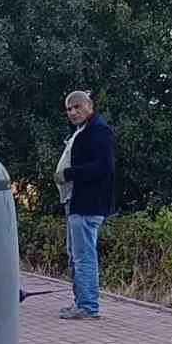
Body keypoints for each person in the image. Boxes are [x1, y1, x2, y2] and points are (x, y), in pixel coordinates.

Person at [55, 90, 116, 319]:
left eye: (77, 107)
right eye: (69, 109)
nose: (72, 112)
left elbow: (104, 167)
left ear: (89, 106)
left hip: (89, 203)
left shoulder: (99, 131)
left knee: (84, 255)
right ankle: (81, 301)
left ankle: (88, 305)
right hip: (76, 201)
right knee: (75, 254)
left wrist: (69, 173)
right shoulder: (82, 131)